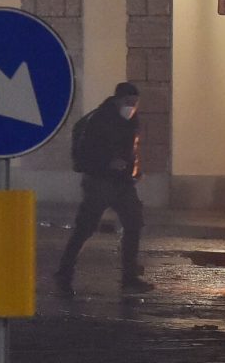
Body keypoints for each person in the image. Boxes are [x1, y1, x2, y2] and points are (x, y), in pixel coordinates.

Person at [54, 82, 154, 296]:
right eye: (128, 102)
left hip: (123, 183)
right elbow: (86, 154)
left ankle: (129, 278)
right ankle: (64, 272)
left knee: (134, 224)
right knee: (85, 228)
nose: (132, 107)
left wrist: (134, 171)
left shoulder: (131, 120)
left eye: (135, 103)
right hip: (99, 182)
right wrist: (107, 163)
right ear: (118, 99)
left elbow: (131, 150)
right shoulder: (99, 120)